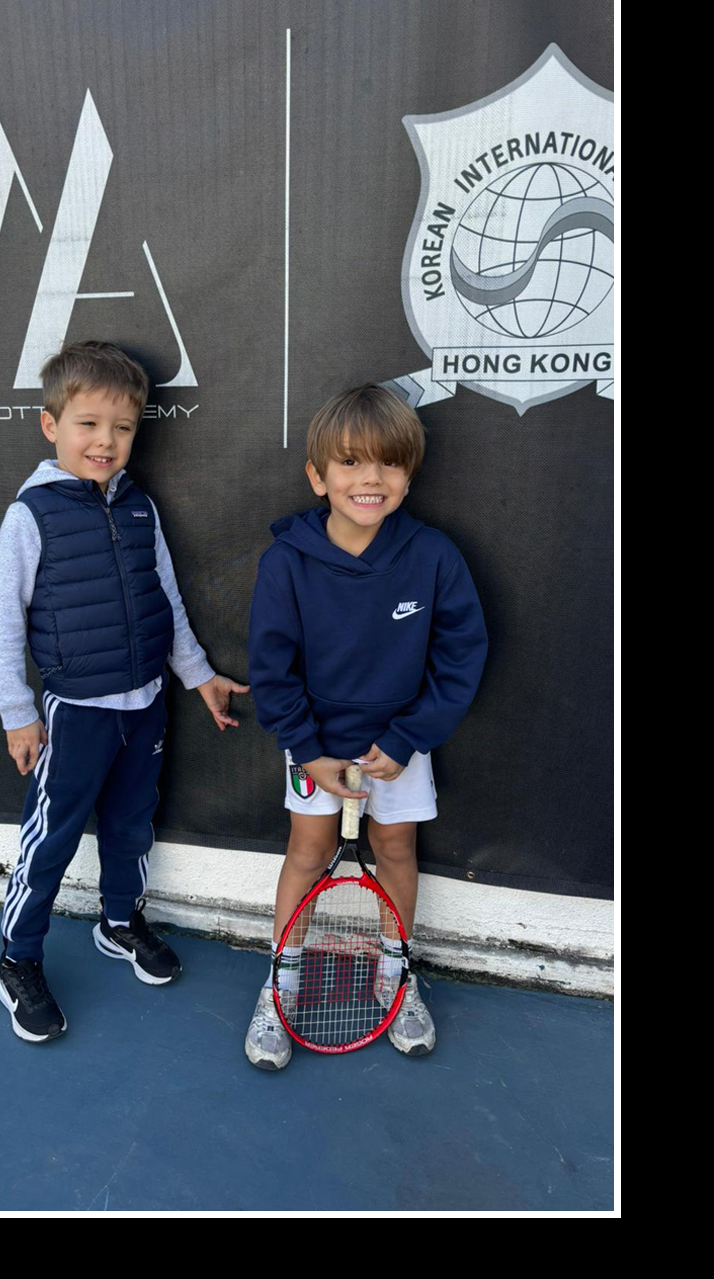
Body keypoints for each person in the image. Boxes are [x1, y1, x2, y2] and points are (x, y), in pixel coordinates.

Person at [0, 340, 249, 1042]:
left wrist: (196, 676)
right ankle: (19, 958)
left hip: (146, 705)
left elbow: (164, 598)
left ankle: (120, 921)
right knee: (51, 839)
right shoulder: (30, 517)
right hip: (75, 714)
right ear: (52, 425)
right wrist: (18, 713)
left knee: (133, 823)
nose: (106, 441)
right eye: (88, 424)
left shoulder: (140, 508)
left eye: (123, 428)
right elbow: (3, 625)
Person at [244, 384, 488, 1068]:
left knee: (398, 854)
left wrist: (409, 739)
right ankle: (281, 983)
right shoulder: (286, 562)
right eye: (350, 463)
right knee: (307, 852)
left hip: (400, 748)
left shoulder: (434, 556)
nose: (369, 479)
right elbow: (272, 668)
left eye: (387, 464)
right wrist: (308, 750)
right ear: (318, 477)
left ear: (408, 476)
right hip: (317, 748)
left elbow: (461, 655)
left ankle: (396, 976)